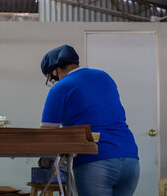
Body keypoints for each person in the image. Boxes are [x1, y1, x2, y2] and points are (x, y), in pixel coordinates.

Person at [40, 45, 139, 196]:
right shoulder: (104, 77)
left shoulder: (60, 88)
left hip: (95, 161)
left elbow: (46, 134)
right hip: (130, 159)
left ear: (55, 71)